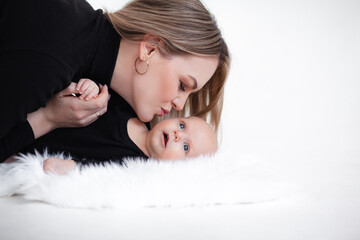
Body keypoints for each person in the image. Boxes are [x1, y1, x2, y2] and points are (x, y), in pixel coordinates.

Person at [0, 0, 230, 162]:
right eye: (183, 85)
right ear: (149, 50)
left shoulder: (113, 105)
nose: (180, 105)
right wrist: (48, 118)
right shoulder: (54, 52)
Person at [42, 115, 218, 175]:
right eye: (182, 125)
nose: (178, 135)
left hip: (40, 142)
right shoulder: (139, 116)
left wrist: (72, 166)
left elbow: (102, 169)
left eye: (186, 147)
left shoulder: (136, 164)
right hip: (53, 115)